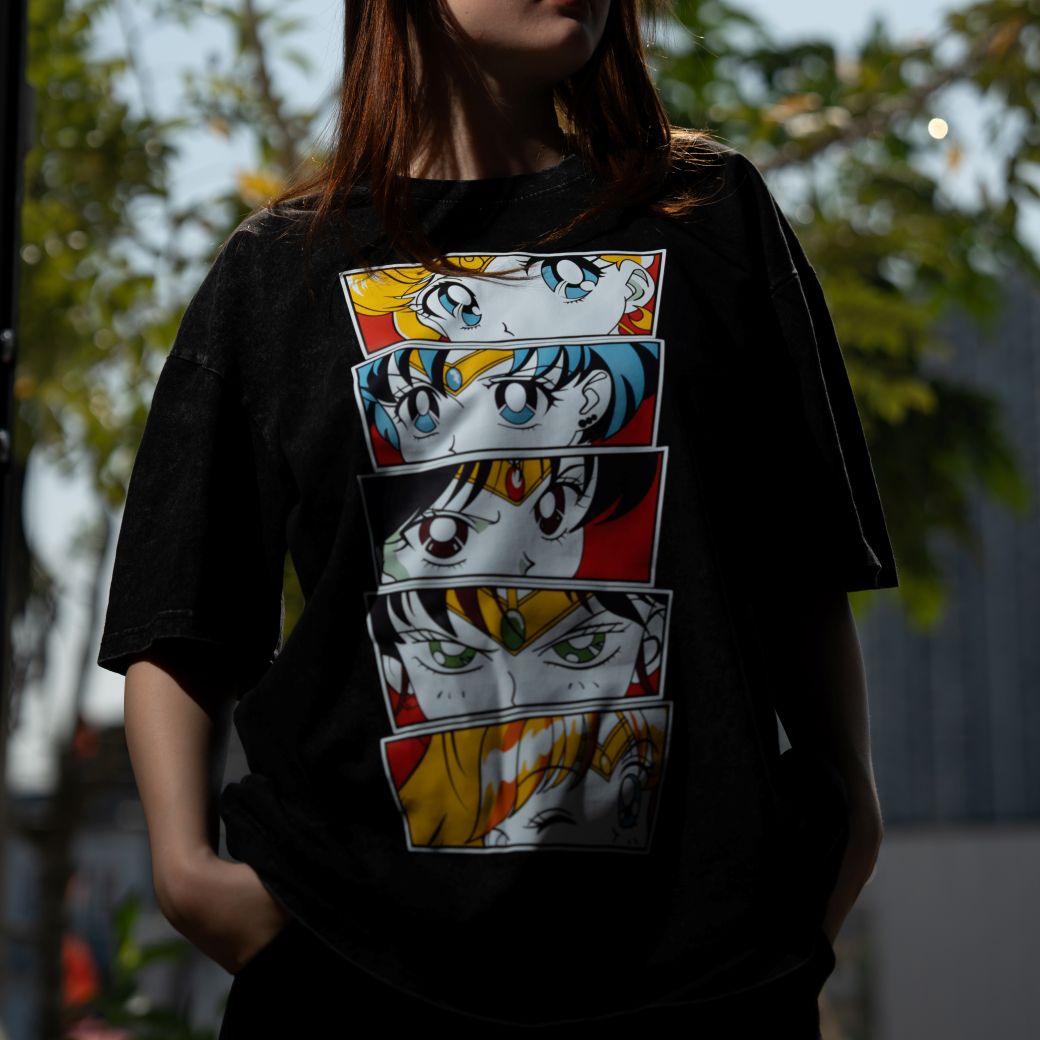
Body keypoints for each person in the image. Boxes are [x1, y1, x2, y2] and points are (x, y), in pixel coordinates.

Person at [97, 0, 897, 1035]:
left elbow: (802, 560)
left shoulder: (709, 216)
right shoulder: (281, 267)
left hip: (698, 973)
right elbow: (180, 606)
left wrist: (849, 823)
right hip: (355, 967)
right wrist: (188, 873)